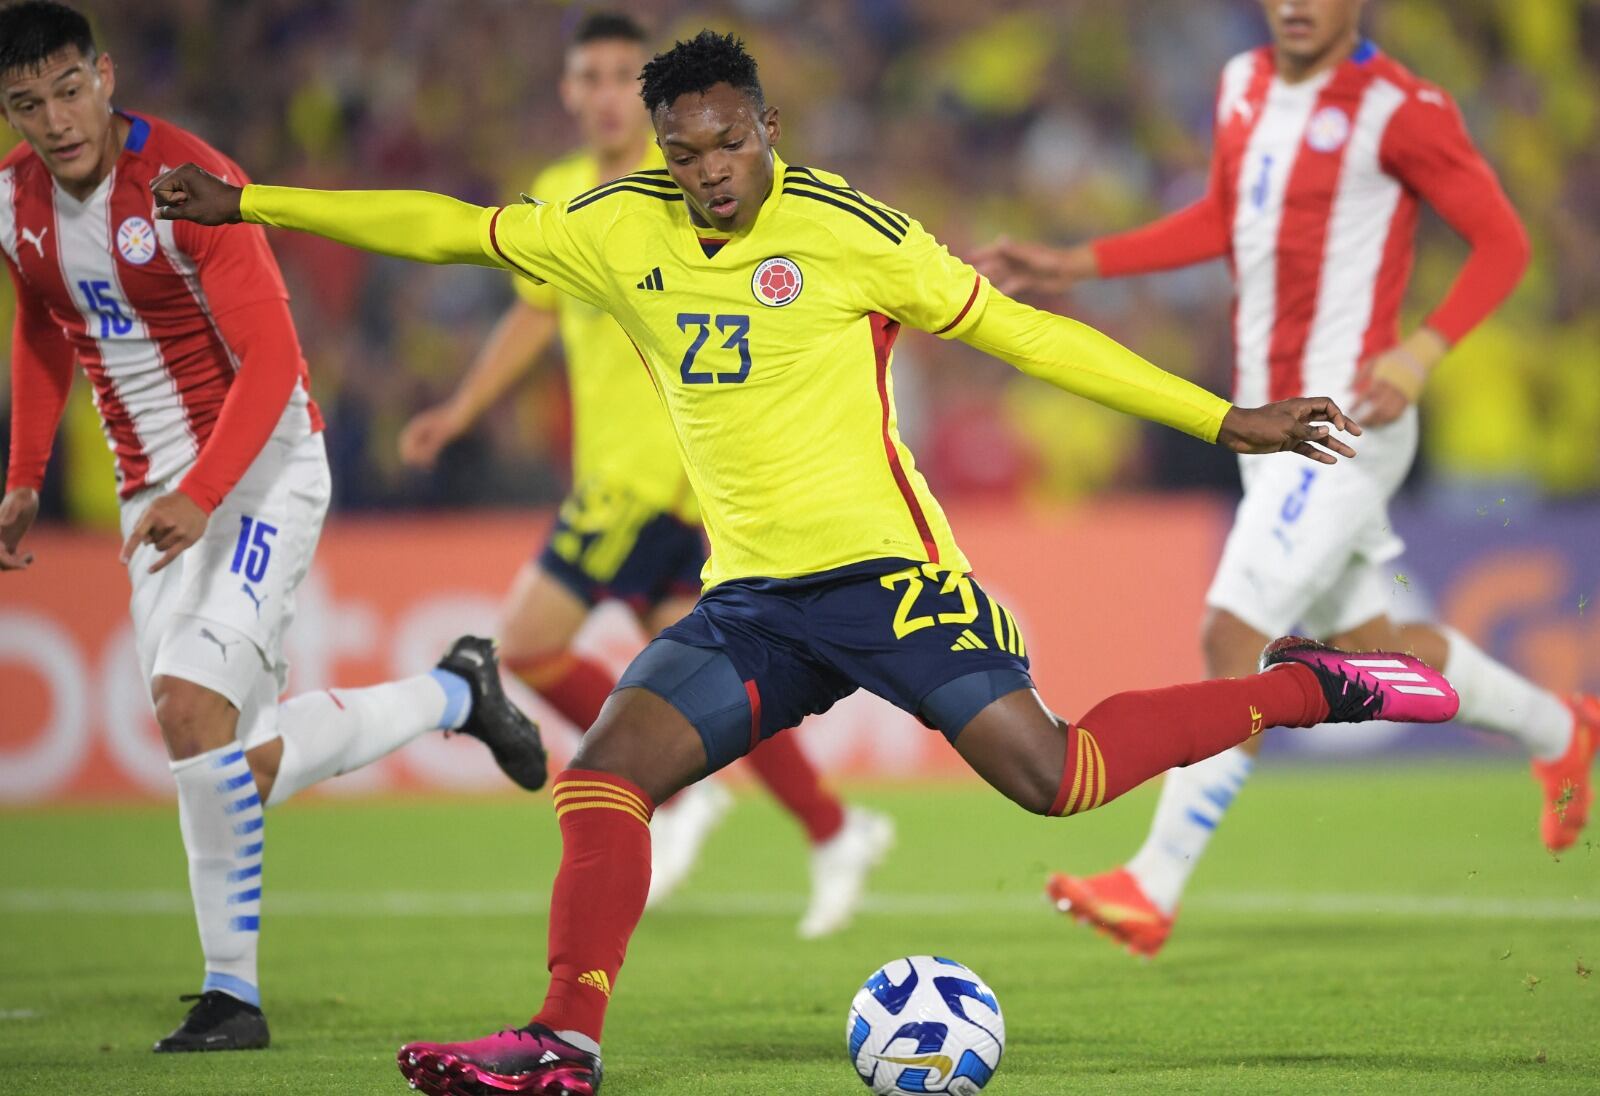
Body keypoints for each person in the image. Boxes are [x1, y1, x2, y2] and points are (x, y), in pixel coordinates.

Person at [151, 30, 1461, 1095]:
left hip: (892, 583)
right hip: (754, 606)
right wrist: (255, 200)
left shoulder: (854, 232)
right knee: (605, 777)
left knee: (1053, 779)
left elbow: (1028, 339)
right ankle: (563, 1042)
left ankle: (1310, 687)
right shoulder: (616, 228)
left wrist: (1223, 416)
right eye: (687, 150)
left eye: (730, 140)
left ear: (767, 129)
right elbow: (445, 225)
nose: (710, 168)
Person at [973, 0, 1597, 959]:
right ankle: (1561, 726)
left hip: (1348, 413)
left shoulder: (1402, 105)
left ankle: (1153, 882)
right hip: (1271, 424)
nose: (1297, 6)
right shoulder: (1242, 85)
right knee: (1375, 646)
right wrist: (1076, 261)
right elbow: (1228, 219)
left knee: (1234, 630)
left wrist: (1420, 354)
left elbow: (1503, 241)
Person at [0, 0, 547, 1052]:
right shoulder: (16, 204)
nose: (57, 119)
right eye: (29, 103)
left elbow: (276, 366)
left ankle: (233, 998)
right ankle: (453, 689)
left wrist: (203, 494)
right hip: (149, 493)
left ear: (106, 77)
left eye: (71, 89)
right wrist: (26, 472)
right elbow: (38, 320)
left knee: (188, 707)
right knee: (228, 762)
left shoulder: (187, 184)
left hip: (259, 468)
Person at [397, 12, 892, 937]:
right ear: (568, 92)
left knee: (530, 645)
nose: (602, 94)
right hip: (612, 472)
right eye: (587, 77)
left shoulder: (690, 196)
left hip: (655, 479)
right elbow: (538, 318)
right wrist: (463, 409)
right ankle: (833, 826)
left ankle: (672, 788)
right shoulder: (564, 197)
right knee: (720, 687)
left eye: (622, 76)